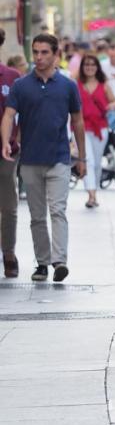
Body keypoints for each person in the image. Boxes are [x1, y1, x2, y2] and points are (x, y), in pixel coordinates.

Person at [0, 33, 85, 282]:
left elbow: (78, 121)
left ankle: (60, 261)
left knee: (58, 210)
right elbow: (8, 116)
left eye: (44, 52)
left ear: (56, 54)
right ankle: (42, 263)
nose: (38, 57)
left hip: (59, 157)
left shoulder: (68, 86)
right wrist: (5, 141)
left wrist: (81, 156)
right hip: (29, 159)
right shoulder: (21, 85)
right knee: (37, 216)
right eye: (35, 52)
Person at [78, 53, 115, 208]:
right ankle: (91, 195)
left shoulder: (104, 85)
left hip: (100, 128)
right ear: (82, 67)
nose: (89, 67)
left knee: (96, 161)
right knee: (88, 160)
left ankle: (94, 189)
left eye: (92, 65)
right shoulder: (76, 85)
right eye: (86, 65)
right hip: (81, 128)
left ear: (97, 67)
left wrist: (111, 106)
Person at [0, 29, 20, 278]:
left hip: (6, 151)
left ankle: (9, 252)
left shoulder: (12, 77)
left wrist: (18, 140)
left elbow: (20, 115)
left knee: (8, 205)